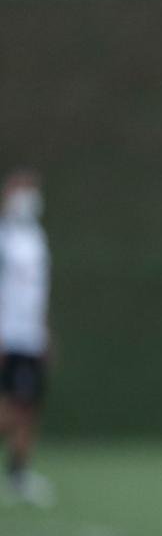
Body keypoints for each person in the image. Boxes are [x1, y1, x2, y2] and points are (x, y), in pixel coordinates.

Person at [0, 169, 54, 507]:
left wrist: (44, 330)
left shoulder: (36, 237)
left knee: (28, 409)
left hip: (31, 337)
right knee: (9, 410)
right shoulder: (3, 237)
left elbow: (37, 292)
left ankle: (18, 475)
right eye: (23, 189)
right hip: (8, 337)